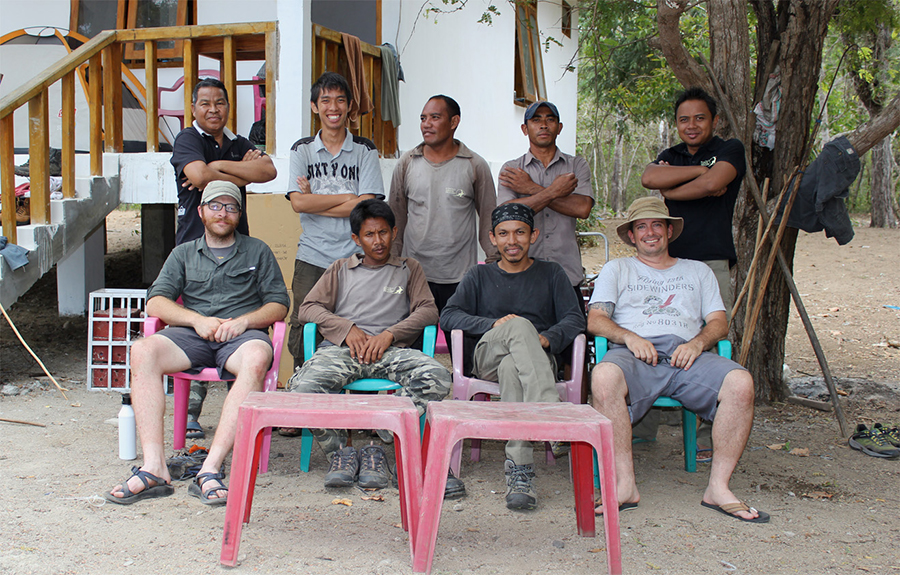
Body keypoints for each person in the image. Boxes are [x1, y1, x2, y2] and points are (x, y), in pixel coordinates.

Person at [106, 181, 290, 506]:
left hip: (240, 337)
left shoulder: (257, 251)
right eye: (215, 206)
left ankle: (210, 468)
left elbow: (278, 304)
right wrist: (196, 320)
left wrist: (244, 321)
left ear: (239, 214)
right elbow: (156, 302)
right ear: (201, 212)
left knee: (258, 356)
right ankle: (154, 468)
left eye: (231, 207)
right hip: (192, 335)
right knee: (142, 350)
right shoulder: (184, 253)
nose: (223, 213)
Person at [588, 196, 768, 523]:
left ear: (669, 231)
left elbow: (718, 322)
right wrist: (629, 336)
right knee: (603, 377)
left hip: (688, 353)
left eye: (657, 224)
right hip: (636, 354)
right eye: (641, 227)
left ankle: (718, 487)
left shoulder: (697, 271)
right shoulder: (618, 269)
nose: (650, 232)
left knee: (741, 383)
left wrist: (699, 343)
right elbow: (596, 319)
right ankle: (625, 484)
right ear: (631, 235)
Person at [287, 199, 464, 499]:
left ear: (394, 232)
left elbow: (428, 311)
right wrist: (346, 329)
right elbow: (308, 308)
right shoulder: (340, 269)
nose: (378, 241)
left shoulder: (409, 268)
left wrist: (390, 334)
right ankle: (341, 453)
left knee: (437, 376)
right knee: (302, 391)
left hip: (391, 352)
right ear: (356, 238)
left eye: (383, 233)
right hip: (344, 352)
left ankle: (387, 437)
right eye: (369, 235)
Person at [440, 204, 585, 511]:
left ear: (533, 235)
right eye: (504, 234)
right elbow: (449, 315)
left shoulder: (552, 273)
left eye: (520, 232)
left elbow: (574, 319)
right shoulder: (479, 274)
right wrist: (492, 324)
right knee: (518, 326)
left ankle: (520, 472)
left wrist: (546, 338)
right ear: (492, 238)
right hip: (488, 357)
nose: (512, 240)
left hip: (536, 360)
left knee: (513, 367)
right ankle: (550, 413)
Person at [637, 87, 747, 448]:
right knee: (656, 331)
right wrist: (699, 174)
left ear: (714, 120)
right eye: (684, 119)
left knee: (709, 337)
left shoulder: (730, 149)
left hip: (712, 259)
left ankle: (707, 435)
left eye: (700, 118)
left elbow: (715, 184)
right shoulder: (671, 154)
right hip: (667, 262)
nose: (692, 125)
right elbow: (651, 180)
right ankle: (644, 428)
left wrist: (683, 184)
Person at [170, 77, 278, 439]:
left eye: (220, 103)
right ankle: (191, 413)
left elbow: (267, 171)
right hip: (195, 246)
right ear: (193, 108)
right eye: (205, 103)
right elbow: (197, 174)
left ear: (228, 107)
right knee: (196, 325)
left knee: (235, 325)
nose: (213, 109)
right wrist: (233, 170)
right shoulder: (187, 139)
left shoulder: (237, 141)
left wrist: (213, 168)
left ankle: (239, 413)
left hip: (235, 245)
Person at [285, 72, 384, 369]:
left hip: (354, 256)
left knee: (356, 322)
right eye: (325, 100)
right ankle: (305, 383)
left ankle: (352, 391)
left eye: (340, 100)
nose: (333, 107)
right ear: (315, 106)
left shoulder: (365, 150)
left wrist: (314, 201)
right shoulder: (301, 149)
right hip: (312, 254)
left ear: (350, 106)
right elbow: (298, 203)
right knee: (304, 322)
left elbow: (367, 205)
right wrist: (347, 199)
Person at [389, 95, 498, 345]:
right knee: (411, 348)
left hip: (459, 276)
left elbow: (489, 219)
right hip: (415, 274)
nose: (426, 124)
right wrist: (392, 263)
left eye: (435, 117)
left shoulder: (474, 165)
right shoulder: (407, 163)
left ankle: (467, 384)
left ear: (454, 122)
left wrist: (493, 265)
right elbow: (395, 217)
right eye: (423, 118)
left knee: (465, 348)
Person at [497, 100, 594, 293]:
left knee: (571, 324)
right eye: (536, 120)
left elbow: (582, 209)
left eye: (550, 119)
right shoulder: (512, 169)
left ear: (559, 128)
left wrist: (530, 188)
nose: (543, 125)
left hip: (566, 273)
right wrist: (554, 191)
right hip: (522, 273)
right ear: (525, 129)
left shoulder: (577, 166)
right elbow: (507, 214)